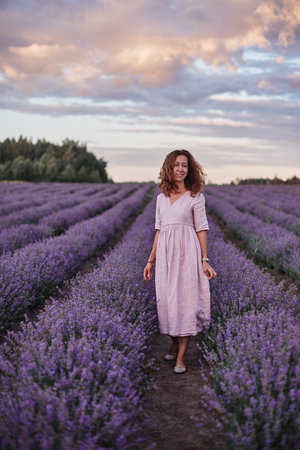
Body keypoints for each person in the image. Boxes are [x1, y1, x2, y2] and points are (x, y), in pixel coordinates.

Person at [144, 149, 217, 374]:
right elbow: (159, 231)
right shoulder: (161, 199)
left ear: (189, 169)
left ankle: (182, 355)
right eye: (176, 165)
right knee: (167, 301)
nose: (180, 169)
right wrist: (150, 261)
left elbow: (202, 229)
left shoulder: (196, 197)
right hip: (165, 256)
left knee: (185, 301)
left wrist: (204, 260)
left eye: (184, 165)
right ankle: (174, 341)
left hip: (187, 254)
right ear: (169, 168)